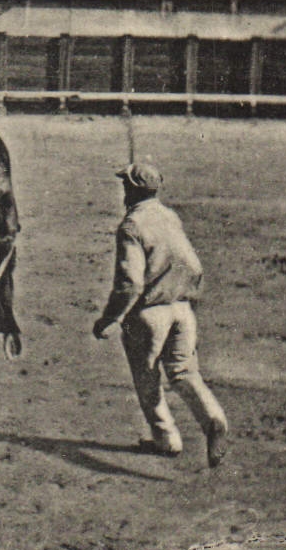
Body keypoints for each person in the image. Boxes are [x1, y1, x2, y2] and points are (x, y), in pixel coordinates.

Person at [92, 161, 229, 467]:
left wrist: (109, 319)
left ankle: (166, 440)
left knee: (148, 379)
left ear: (131, 189)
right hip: (182, 309)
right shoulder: (170, 216)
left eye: (125, 186)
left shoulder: (131, 226)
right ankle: (214, 420)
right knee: (184, 373)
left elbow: (130, 283)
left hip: (149, 315)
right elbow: (194, 266)